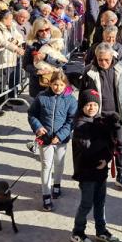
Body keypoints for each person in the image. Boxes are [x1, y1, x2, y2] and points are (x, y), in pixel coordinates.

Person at [70, 88, 121, 242]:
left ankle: (101, 230)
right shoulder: (80, 125)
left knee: (100, 202)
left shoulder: (99, 121)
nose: (91, 108)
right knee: (86, 204)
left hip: (101, 171)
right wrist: (104, 134)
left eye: (94, 104)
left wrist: (114, 128)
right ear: (81, 106)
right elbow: (88, 147)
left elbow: (110, 146)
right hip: (86, 172)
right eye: (87, 105)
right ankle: (77, 232)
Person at [78, 43, 122, 190]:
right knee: (99, 146)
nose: (103, 63)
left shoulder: (121, 69)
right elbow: (82, 95)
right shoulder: (89, 71)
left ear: (112, 57)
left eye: (106, 60)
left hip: (117, 115)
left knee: (121, 144)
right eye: (100, 59)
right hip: (98, 116)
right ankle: (98, 174)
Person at [27, 70, 77, 211]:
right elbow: (32, 114)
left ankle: (57, 184)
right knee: (46, 165)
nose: (57, 88)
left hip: (62, 138)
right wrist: (38, 127)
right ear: (50, 83)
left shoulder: (71, 100)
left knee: (59, 162)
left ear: (65, 85)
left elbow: (71, 120)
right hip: (45, 138)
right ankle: (46, 195)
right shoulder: (41, 97)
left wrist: (60, 135)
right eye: (55, 84)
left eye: (61, 85)